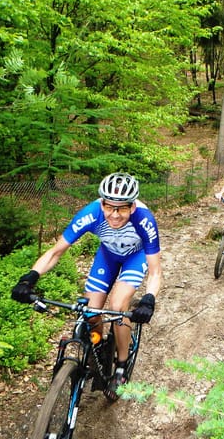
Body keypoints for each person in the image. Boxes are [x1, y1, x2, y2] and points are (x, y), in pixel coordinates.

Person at [11, 172, 162, 401]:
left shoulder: (144, 220)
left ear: (132, 208)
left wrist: (149, 298)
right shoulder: (91, 214)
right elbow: (56, 252)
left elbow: (155, 271)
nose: (114, 214)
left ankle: (120, 366)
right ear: (102, 204)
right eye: (109, 207)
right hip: (108, 256)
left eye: (121, 208)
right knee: (91, 312)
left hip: (135, 256)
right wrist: (29, 278)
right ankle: (98, 345)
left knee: (118, 305)